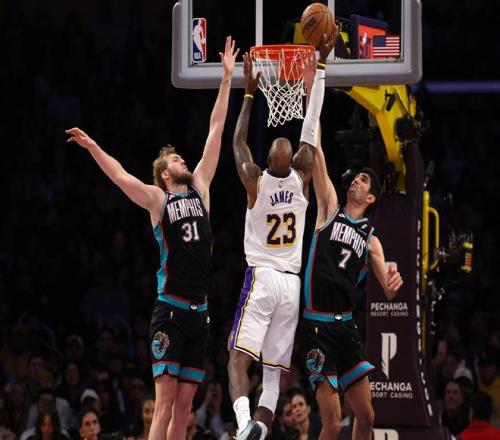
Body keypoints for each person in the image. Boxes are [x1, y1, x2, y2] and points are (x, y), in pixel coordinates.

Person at [66, 36, 239, 440]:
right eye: (176, 159)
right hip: (170, 311)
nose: (183, 159)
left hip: (199, 313)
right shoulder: (158, 200)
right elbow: (120, 176)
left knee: (185, 407)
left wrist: (227, 79)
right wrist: (92, 146)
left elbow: (216, 129)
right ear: (164, 172)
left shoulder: (201, 187)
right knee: (163, 405)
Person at [227, 35, 336, 440]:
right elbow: (311, 122)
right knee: (273, 375)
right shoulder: (302, 176)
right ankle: (259, 429)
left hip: (263, 278)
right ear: (290, 161)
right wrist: (319, 70)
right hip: (291, 285)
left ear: (267, 161)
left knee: (237, 361)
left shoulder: (254, 181)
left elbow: (238, 142)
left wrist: (249, 93)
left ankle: (244, 427)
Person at [299, 96, 403, 438]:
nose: (356, 181)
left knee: (367, 415)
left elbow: (387, 291)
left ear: (370, 198)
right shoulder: (329, 207)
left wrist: (393, 284)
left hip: (345, 328)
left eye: (363, 181)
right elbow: (317, 154)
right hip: (316, 325)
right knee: (331, 419)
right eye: (356, 178)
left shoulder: (372, 239)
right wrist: (313, 97)